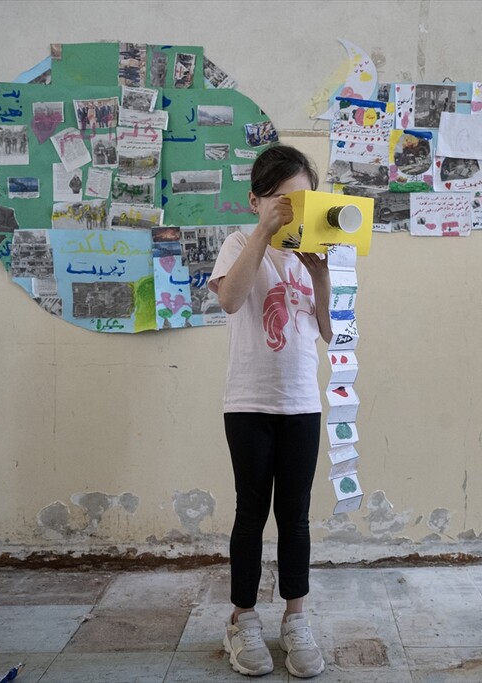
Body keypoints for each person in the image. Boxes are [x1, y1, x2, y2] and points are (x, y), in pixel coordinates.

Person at [208, 145, 332, 679]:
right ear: (255, 200)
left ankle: (296, 618)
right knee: (251, 513)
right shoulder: (239, 243)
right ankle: (242, 619)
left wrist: (320, 275)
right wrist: (264, 232)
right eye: (281, 200)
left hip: (301, 402)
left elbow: (330, 332)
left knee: (296, 517)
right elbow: (230, 300)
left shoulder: (318, 247)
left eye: (300, 201)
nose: (290, 211)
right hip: (249, 402)